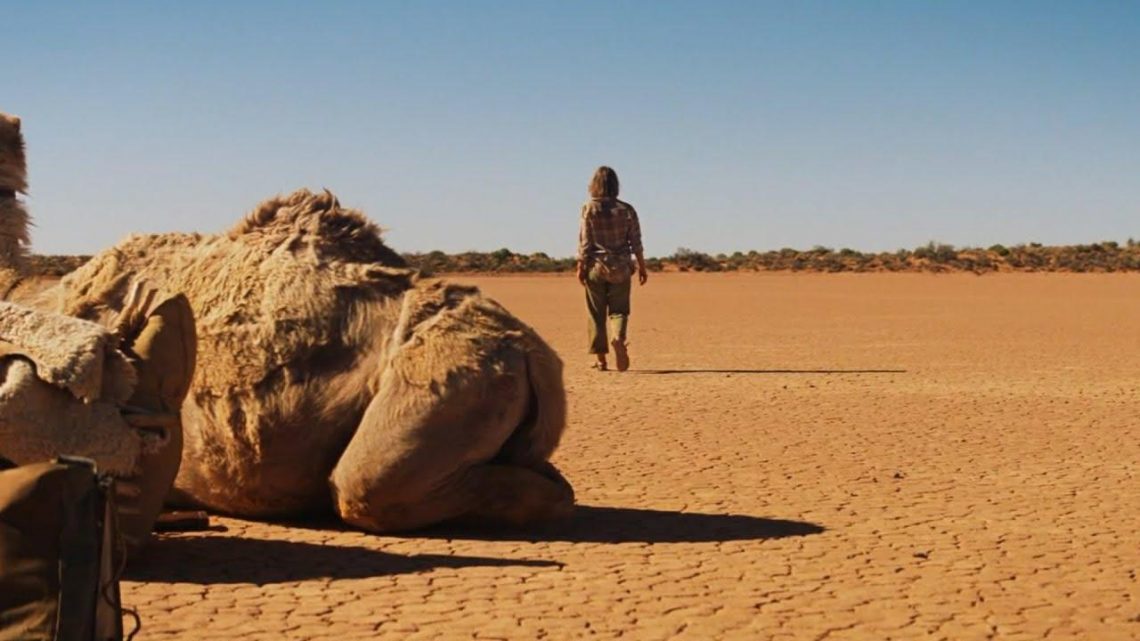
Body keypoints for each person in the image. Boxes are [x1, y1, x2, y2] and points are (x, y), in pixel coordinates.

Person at [576, 166, 647, 372]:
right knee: (619, 311)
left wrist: (580, 266)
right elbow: (636, 241)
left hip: (595, 266)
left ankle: (601, 360)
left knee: (596, 313)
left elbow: (585, 241)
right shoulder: (626, 210)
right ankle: (618, 338)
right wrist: (642, 266)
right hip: (622, 267)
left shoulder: (589, 209)